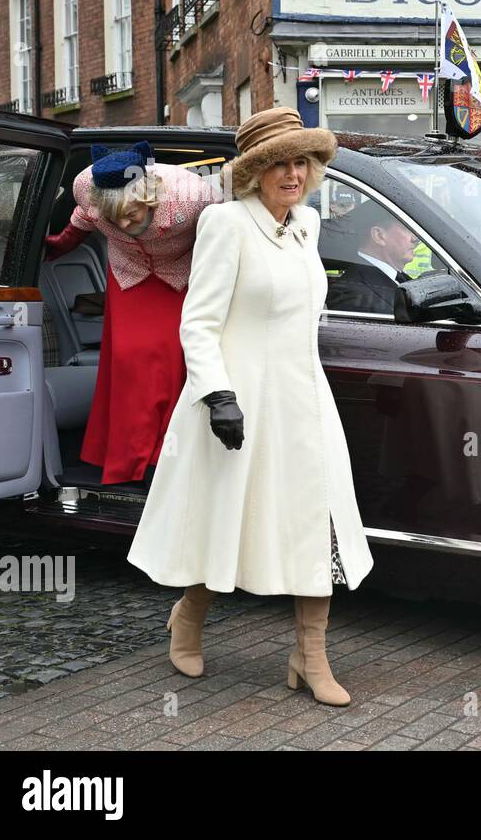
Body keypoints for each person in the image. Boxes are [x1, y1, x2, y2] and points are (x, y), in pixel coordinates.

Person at [128, 107, 374, 706]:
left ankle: (309, 655)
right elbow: (200, 323)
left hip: (304, 401)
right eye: (277, 164)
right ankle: (187, 617)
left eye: (301, 162)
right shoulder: (226, 225)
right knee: (225, 520)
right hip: (236, 400)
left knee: (319, 523)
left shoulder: (307, 227)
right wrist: (218, 396)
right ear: (253, 172)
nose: (292, 174)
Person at [43, 142, 222, 484]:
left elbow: (231, 233)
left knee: (174, 361)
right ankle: (128, 460)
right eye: (115, 217)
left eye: (132, 212)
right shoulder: (88, 193)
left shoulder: (194, 195)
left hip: (178, 280)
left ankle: (165, 461)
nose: (124, 223)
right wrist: (51, 248)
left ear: (149, 196)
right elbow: (78, 225)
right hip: (129, 278)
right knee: (129, 363)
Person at [325, 203, 423, 315]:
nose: (416, 239)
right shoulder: (352, 293)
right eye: (406, 228)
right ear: (379, 236)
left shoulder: (400, 279)